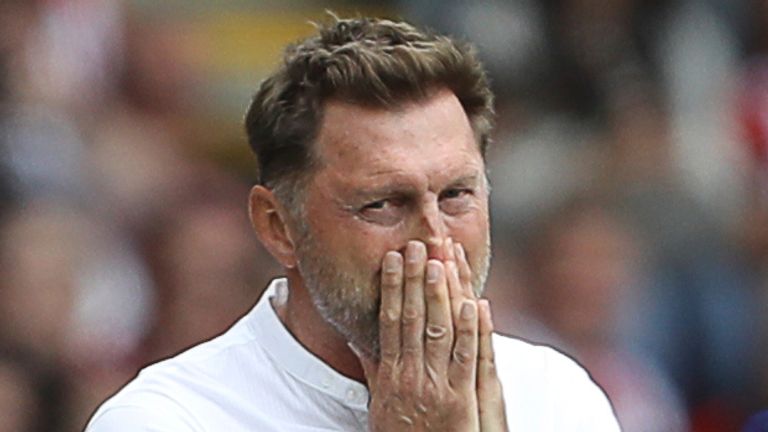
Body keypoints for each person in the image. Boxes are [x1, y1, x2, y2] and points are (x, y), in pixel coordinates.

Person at [85, 16, 619, 431]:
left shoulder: (558, 399)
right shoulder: (167, 419)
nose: (434, 241)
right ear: (278, 226)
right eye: (383, 204)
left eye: (457, 195)